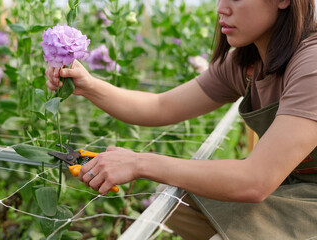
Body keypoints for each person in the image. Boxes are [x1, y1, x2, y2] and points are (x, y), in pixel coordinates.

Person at [46, 0, 317, 239]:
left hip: (304, 197)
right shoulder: (246, 63)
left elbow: (255, 180)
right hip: (294, 190)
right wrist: (89, 86)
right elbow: (161, 106)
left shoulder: (311, 64)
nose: (221, 8)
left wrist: (139, 162)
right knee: (177, 203)